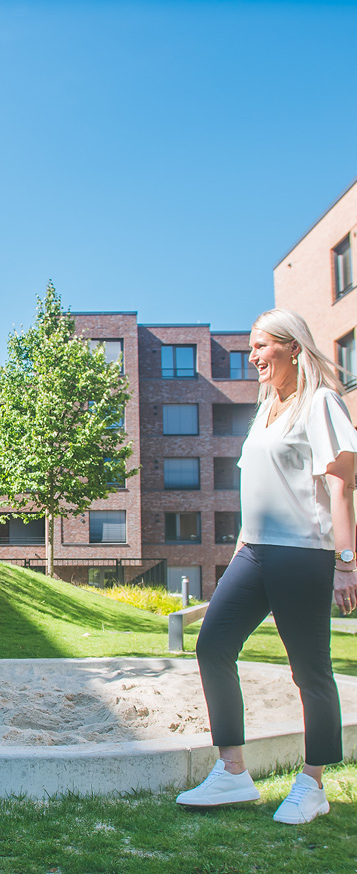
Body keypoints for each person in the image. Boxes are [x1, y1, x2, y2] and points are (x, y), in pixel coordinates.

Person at [176, 308, 357, 824]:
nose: (252, 356)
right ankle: (233, 773)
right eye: (251, 348)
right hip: (253, 550)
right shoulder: (265, 409)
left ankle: (313, 783)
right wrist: (237, 553)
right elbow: (256, 493)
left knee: (310, 671)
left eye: (261, 346)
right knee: (213, 646)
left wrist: (346, 562)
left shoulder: (320, 403)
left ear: (293, 347)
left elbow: (340, 485)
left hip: (304, 553)